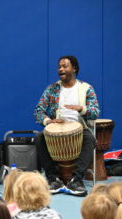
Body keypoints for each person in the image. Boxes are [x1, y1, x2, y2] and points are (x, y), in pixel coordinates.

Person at [34, 55, 99, 196]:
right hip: (56, 129)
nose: (61, 69)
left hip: (79, 128)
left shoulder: (85, 89)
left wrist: (81, 109)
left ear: (74, 68)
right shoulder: (52, 89)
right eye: (59, 67)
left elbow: (95, 112)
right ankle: (53, 179)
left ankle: (76, 180)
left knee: (90, 139)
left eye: (64, 66)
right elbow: (38, 111)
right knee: (39, 138)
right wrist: (48, 121)